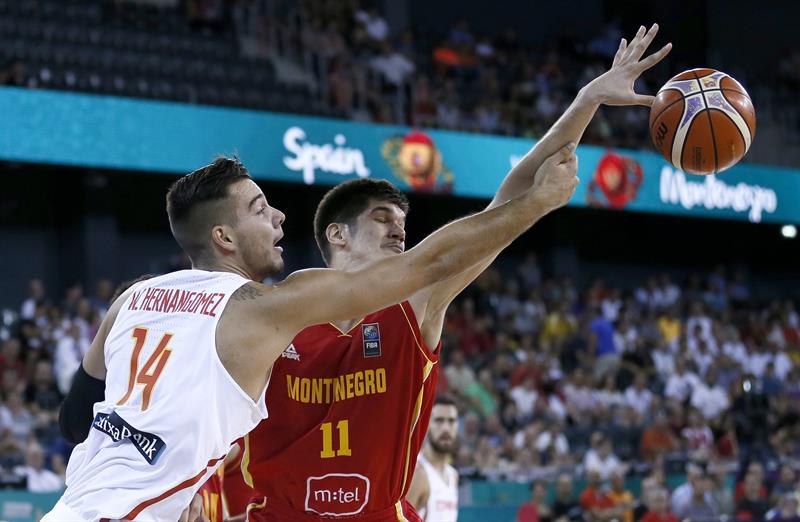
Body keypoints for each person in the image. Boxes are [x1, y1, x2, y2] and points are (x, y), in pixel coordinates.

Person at [236, 23, 671, 522]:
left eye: (403, 224)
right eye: (382, 219)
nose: (399, 232)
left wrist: (586, 101)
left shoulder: (415, 301)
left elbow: (505, 200)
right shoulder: (275, 314)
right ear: (337, 235)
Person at [43, 146, 578, 522]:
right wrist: (537, 205)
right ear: (224, 236)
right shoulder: (257, 310)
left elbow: (74, 420)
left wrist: (140, 441)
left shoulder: (130, 301)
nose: (278, 217)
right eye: (259, 209)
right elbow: (428, 265)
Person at [407, 396, 460, 521]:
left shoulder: (453, 475)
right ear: (427, 424)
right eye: (439, 420)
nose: (446, 428)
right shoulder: (417, 474)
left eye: (451, 421)